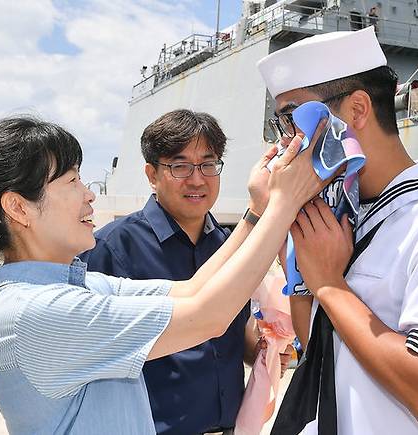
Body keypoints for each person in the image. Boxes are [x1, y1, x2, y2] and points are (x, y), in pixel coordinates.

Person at [0, 116, 327, 434]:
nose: (90, 193)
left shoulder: (71, 285)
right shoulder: (38, 312)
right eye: (72, 181)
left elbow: (193, 290)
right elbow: (207, 316)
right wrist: (284, 204)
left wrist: (257, 212)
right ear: (19, 207)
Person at [257, 27, 418, 434]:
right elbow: (318, 347)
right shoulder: (345, 209)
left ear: (356, 110)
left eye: (292, 117)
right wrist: (302, 262)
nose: (287, 141)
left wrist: (331, 286)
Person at [82, 109, 276, 434]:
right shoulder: (112, 247)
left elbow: (233, 337)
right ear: (151, 174)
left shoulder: (229, 246)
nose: (197, 179)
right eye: (180, 165)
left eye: (208, 164)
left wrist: (265, 346)